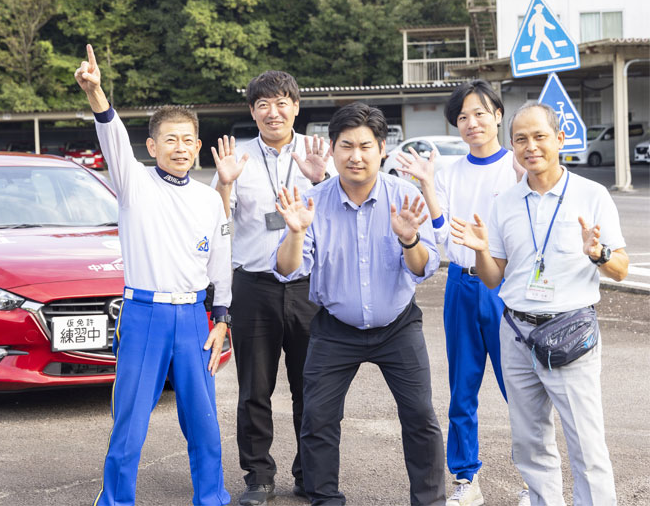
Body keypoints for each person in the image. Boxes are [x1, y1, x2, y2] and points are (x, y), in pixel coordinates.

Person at [74, 44, 232, 506]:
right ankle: (116, 500)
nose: (180, 148)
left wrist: (221, 318)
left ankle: (212, 497)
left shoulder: (208, 198)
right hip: (144, 315)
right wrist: (96, 92)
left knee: (203, 421)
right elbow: (112, 138)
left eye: (188, 140)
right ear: (153, 146)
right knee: (130, 422)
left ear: (197, 146)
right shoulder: (134, 184)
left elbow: (220, 261)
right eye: (170, 140)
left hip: (193, 320)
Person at [450, 102, 628, 506]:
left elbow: (620, 269)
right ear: (512, 146)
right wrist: (480, 251)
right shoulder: (506, 203)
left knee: (586, 443)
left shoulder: (592, 195)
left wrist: (597, 252)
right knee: (530, 442)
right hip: (516, 333)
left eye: (539, 136)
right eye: (521, 139)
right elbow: (495, 277)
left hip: (571, 334)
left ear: (559, 139)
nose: (530, 146)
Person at [272, 102, 445, 506]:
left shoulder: (404, 196)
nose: (356, 155)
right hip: (335, 328)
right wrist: (295, 232)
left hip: (398, 325)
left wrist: (409, 240)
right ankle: (323, 496)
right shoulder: (313, 201)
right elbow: (287, 270)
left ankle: (430, 500)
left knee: (420, 416)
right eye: (346, 145)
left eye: (366, 145)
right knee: (318, 418)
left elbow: (424, 270)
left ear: (382, 148)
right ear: (332, 149)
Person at [395, 80, 523, 506]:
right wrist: (429, 187)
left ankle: (532, 479)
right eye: (463, 117)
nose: (472, 123)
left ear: (498, 115)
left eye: (480, 114)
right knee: (461, 388)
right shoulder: (449, 173)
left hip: (506, 286)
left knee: (519, 388)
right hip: (462, 284)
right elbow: (443, 238)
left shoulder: (516, 167)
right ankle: (467, 479)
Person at [210, 70, 336, 506]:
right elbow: (217, 221)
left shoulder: (319, 155)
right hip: (254, 286)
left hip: (308, 287)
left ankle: (310, 475)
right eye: (263, 104)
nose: (273, 111)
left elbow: (341, 213)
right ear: (252, 112)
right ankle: (258, 477)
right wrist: (224, 183)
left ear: (296, 107)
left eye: (282, 102)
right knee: (254, 389)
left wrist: (320, 180)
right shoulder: (238, 160)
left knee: (311, 388)